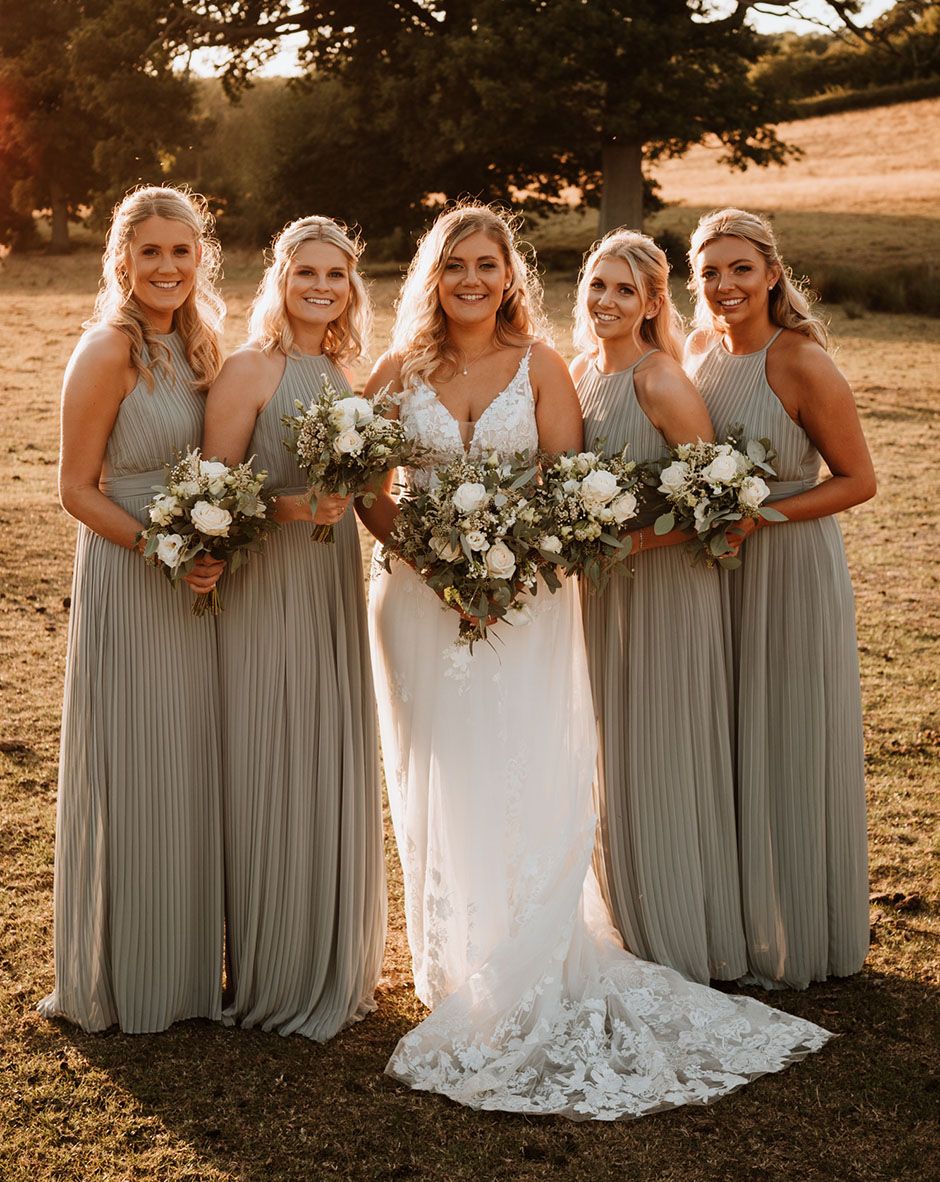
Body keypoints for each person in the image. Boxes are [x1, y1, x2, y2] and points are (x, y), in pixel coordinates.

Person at [359, 203, 829, 1121]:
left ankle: (533, 947)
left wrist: (501, 568)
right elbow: (370, 491)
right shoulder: (394, 369)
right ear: (432, 274)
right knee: (439, 772)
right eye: (456, 264)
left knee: (525, 763)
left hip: (526, 595)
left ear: (510, 278)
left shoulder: (542, 368)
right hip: (416, 603)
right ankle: (459, 959)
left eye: (488, 265)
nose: (472, 279)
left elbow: (566, 486)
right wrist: (435, 566)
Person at [39, 185, 226, 1032]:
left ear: (200, 258)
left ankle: (187, 971)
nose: (166, 267)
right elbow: (75, 489)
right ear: (121, 259)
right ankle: (129, 973)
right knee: (138, 760)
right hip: (131, 569)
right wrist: (162, 547)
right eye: (149, 252)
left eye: (181, 252)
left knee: (188, 763)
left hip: (196, 582)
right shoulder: (107, 349)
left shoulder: (199, 346)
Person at [202, 216, 385, 1040]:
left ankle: (325, 955)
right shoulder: (251, 369)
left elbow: (370, 495)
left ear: (351, 286)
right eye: (306, 271)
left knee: (326, 748)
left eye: (336, 275)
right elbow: (212, 495)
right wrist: (285, 504)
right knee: (273, 750)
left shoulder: (343, 375)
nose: (321, 286)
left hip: (332, 577)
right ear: (279, 277)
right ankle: (274, 968)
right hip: (271, 580)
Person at [686, 207, 875, 990]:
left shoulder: (800, 362)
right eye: (709, 272)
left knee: (787, 736)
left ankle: (804, 928)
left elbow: (859, 481)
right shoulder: (696, 353)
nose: (724, 285)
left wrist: (754, 515)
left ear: (771, 273)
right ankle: (735, 916)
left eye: (739, 268)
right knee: (729, 735)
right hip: (715, 573)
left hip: (790, 567)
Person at [572, 229, 747, 986]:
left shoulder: (660, 380)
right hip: (601, 593)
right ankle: (629, 916)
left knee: (664, 749)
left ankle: (680, 929)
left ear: (651, 304)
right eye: (597, 286)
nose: (606, 301)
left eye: (624, 290)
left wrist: (631, 546)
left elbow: (721, 506)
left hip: (667, 589)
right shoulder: (580, 373)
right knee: (614, 757)